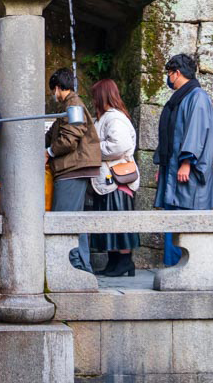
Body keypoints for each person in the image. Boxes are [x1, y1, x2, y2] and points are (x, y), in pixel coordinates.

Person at [154, 53, 213, 266]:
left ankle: (183, 269)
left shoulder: (197, 97)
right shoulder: (182, 97)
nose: (168, 78)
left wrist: (187, 163)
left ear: (176, 73)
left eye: (169, 73)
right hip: (174, 169)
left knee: (185, 221)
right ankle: (173, 268)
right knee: (174, 221)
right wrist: (163, 165)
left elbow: (195, 132)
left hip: (186, 171)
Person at [45, 68, 102, 273]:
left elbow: (70, 138)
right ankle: (82, 269)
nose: (54, 94)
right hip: (74, 169)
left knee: (64, 221)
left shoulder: (74, 105)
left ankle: (73, 268)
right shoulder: (70, 106)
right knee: (74, 221)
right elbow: (53, 133)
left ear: (59, 88)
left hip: (72, 169)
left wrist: (49, 152)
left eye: (54, 90)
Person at [89, 78, 140, 277]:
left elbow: (118, 146)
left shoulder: (115, 118)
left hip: (116, 179)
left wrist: (92, 150)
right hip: (109, 179)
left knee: (120, 223)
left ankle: (125, 262)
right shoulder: (107, 118)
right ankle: (115, 262)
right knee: (110, 223)